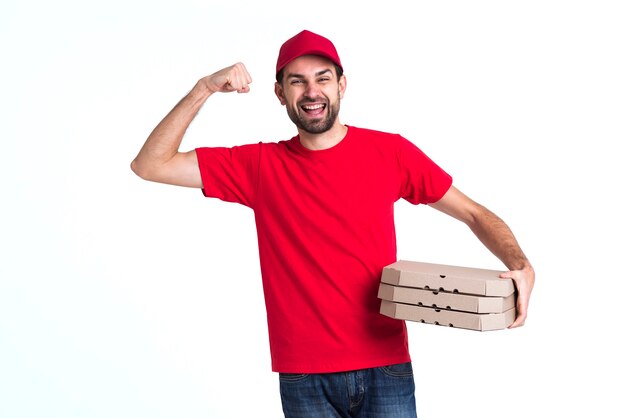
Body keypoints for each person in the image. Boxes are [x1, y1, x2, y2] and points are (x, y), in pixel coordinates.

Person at [131, 29, 535, 418]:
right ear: (280, 93)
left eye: (323, 78)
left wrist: (520, 264)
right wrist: (203, 88)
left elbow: (473, 213)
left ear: (342, 85)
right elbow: (150, 165)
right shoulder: (258, 166)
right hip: (303, 373)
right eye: (297, 81)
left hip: (385, 366)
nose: (311, 92)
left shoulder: (389, 152)